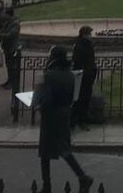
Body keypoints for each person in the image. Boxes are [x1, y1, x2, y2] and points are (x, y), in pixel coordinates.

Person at [35, 46, 94, 193]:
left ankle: (47, 185)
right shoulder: (69, 75)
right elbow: (72, 97)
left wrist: (39, 106)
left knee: (45, 152)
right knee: (64, 149)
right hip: (64, 114)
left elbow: (44, 98)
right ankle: (82, 176)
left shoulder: (47, 75)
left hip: (50, 117)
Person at [70, 25, 97, 130]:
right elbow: (84, 61)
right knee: (83, 98)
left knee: (80, 98)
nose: (91, 36)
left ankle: (78, 119)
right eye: (89, 34)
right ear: (85, 34)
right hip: (85, 75)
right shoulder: (84, 45)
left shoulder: (79, 44)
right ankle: (81, 120)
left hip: (83, 75)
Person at [0, 7, 22, 90]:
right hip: (8, 47)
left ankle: (12, 82)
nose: (3, 15)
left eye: (4, 13)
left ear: (9, 15)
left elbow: (12, 34)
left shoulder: (15, 23)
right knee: (9, 65)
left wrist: (1, 35)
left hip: (13, 48)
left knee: (12, 66)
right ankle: (9, 80)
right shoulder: (8, 22)